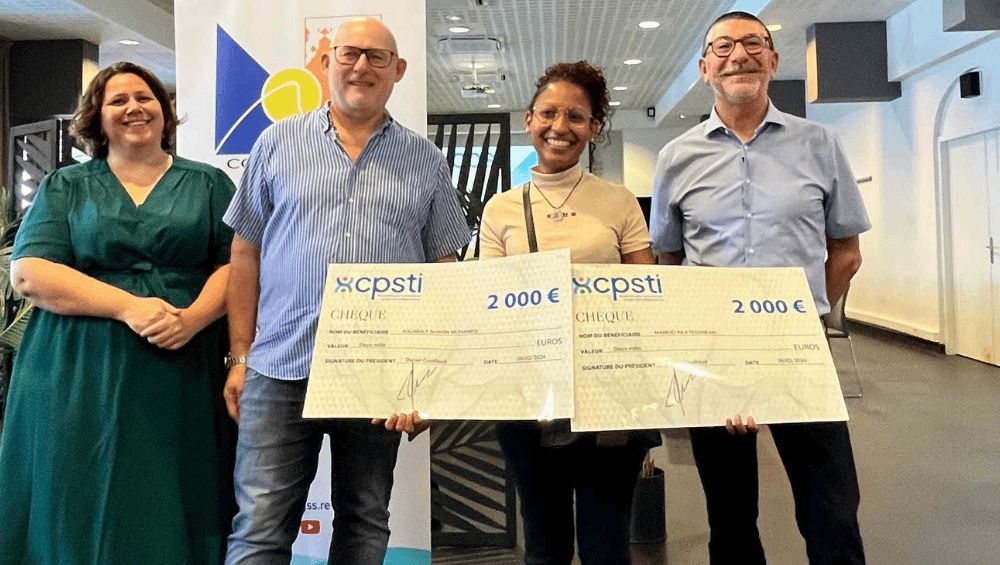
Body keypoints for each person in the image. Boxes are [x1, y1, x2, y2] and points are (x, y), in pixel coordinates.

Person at [221, 17, 470, 564]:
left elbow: (444, 269)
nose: (362, 66)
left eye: (377, 57)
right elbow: (245, 252)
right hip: (280, 367)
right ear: (326, 61)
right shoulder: (276, 142)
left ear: (398, 70)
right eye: (349, 53)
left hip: (378, 375)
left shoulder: (425, 160)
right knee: (260, 528)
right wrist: (239, 356)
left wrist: (428, 378)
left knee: (364, 522)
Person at [650, 11, 870, 565]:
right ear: (705, 68)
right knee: (728, 513)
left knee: (832, 508)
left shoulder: (820, 144)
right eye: (722, 47)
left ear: (773, 60)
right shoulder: (676, 158)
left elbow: (846, 251)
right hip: (713, 355)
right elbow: (669, 258)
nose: (739, 55)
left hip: (800, 350)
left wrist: (799, 317)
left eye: (753, 43)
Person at [0, 61, 236, 563]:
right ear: (96, 117)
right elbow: (30, 273)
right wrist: (129, 308)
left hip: (184, 364)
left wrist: (193, 318)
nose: (134, 108)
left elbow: (238, 265)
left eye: (145, 97)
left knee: (178, 488)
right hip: (78, 369)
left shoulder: (209, 183)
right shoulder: (66, 186)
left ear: (164, 111)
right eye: (118, 100)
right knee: (77, 488)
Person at [479, 61, 660, 565]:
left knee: (607, 545)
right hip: (528, 396)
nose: (560, 126)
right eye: (548, 113)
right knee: (544, 544)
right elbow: (490, 301)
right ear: (529, 119)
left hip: (610, 394)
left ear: (594, 127)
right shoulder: (500, 208)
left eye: (576, 116)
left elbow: (647, 295)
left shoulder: (619, 201)